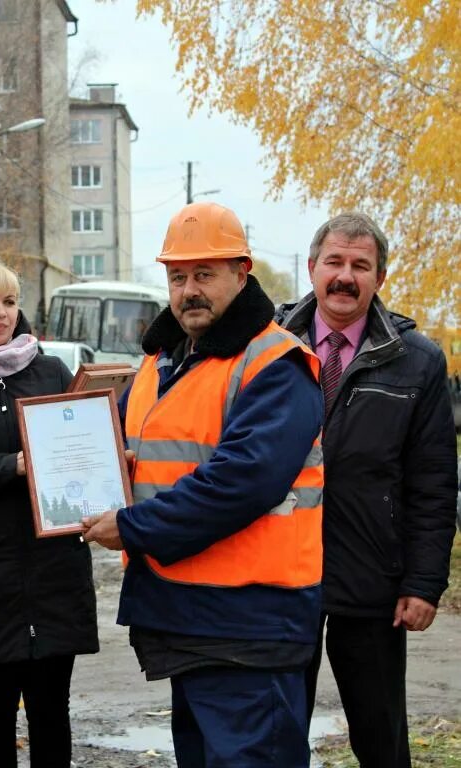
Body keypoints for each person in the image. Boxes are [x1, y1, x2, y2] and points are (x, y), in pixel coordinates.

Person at [83, 201, 324, 767]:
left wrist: (131, 526)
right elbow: (126, 456)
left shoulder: (277, 363)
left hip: (250, 627)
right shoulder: (160, 364)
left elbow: (239, 483)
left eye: (205, 275)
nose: (189, 290)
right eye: (178, 276)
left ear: (242, 274)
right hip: (187, 618)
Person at [277, 212, 457, 768]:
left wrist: (424, 582)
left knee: (380, 737)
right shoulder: (268, 348)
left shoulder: (417, 361)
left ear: (380, 276)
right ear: (312, 268)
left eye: (361, 265)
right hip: (280, 571)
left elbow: (433, 482)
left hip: (372, 574)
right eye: (334, 262)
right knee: (278, 736)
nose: (345, 277)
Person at [0, 259, 99, 767]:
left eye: (9, 302)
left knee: (52, 710)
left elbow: (77, 452)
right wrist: (7, 466)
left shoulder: (49, 370)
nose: (1, 314)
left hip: (54, 569)